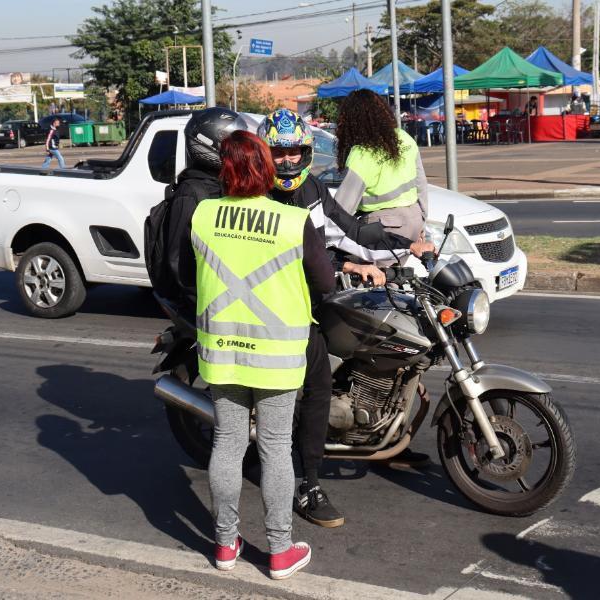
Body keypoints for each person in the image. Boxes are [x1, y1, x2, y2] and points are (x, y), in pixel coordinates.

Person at [257, 108, 436, 527]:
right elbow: (281, 261)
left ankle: (383, 432)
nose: (287, 161)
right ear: (265, 154)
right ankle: (308, 484)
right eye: (278, 153)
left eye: (295, 151)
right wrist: (344, 269)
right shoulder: (260, 198)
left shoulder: (313, 190)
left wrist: (405, 246)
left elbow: (352, 231)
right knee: (317, 385)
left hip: (313, 297)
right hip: (278, 308)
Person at [181, 130, 334, 579]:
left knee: (227, 443)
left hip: (222, 349)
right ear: (267, 167)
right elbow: (324, 283)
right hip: (278, 355)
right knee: (274, 448)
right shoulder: (290, 221)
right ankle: (280, 551)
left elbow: (194, 271)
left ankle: (226, 546)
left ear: (223, 170)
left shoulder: (204, 215)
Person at [163, 107, 248, 314]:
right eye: (233, 144)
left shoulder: (229, 185)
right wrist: (204, 301)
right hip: (208, 307)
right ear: (207, 143)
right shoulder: (191, 193)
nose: (241, 151)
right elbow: (178, 260)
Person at [333, 90, 428, 245]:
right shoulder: (404, 137)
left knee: (363, 268)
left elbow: (341, 209)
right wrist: (422, 220)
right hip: (414, 220)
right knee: (397, 269)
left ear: (352, 121)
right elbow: (421, 185)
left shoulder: (363, 153)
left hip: (384, 228)